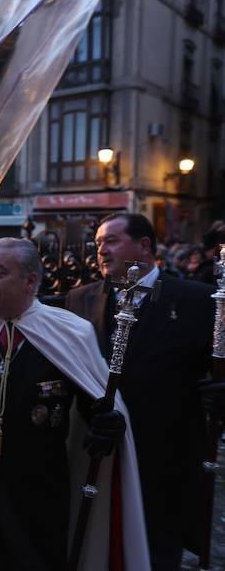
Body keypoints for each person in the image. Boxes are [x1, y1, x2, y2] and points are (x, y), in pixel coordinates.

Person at [0, 238, 150, 570]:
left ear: (30, 281)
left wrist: (107, 423)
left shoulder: (70, 332)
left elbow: (95, 404)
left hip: (39, 491)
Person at [66, 213, 218, 570]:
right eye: (98, 242)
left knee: (155, 550)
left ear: (145, 246)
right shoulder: (79, 300)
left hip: (165, 454)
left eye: (111, 241)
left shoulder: (198, 300)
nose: (100, 250)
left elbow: (214, 365)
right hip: (100, 448)